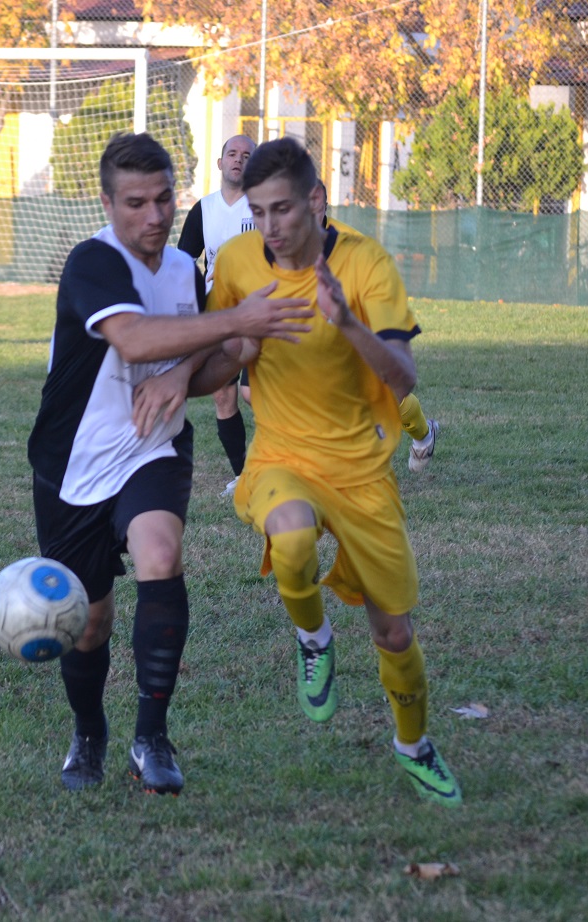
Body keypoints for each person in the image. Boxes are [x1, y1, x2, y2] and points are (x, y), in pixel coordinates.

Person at [28, 132, 312, 795]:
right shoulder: (90, 262)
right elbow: (131, 337)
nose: (153, 216)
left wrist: (207, 361)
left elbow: (212, 353)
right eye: (134, 203)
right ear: (108, 203)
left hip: (153, 446)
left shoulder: (185, 270)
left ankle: (151, 735)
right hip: (73, 463)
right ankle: (89, 732)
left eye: (162, 199)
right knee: (88, 620)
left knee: (159, 556)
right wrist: (234, 323)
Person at [208, 137, 462, 807]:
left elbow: (403, 377)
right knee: (289, 537)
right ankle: (312, 637)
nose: (270, 228)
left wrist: (345, 321)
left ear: (315, 202)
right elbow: (213, 370)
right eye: (258, 213)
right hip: (280, 457)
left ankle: (413, 745)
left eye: (283, 210)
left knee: (394, 633)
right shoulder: (236, 264)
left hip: (360, 470)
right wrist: (240, 333)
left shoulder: (365, 262)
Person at [311, 179, 439, 472]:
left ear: (325, 207)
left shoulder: (352, 243)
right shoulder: (280, 241)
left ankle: (423, 434)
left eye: (313, 204)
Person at [177, 134, 258, 494]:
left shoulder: (264, 207)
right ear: (220, 163)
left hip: (259, 314)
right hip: (219, 316)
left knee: (253, 394)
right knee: (223, 397)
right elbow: (182, 261)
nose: (239, 159)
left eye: (246, 155)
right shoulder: (204, 209)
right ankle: (245, 477)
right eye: (232, 153)